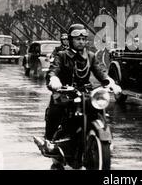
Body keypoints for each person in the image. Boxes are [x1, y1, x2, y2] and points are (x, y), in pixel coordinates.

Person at [42, 24, 119, 163]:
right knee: (56, 109)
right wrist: (54, 80)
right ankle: (49, 142)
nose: (81, 42)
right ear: (71, 40)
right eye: (78, 39)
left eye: (84, 39)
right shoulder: (62, 55)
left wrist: (110, 82)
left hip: (84, 92)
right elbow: (53, 70)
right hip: (64, 92)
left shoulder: (90, 56)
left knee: (98, 108)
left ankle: (102, 141)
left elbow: (100, 72)